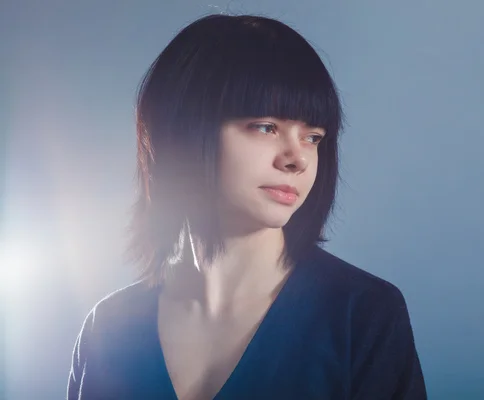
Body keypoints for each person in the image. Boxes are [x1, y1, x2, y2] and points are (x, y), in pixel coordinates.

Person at [67, 14, 427, 400]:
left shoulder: (364, 316)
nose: (297, 159)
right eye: (266, 126)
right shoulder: (106, 329)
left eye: (313, 136)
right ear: (183, 130)